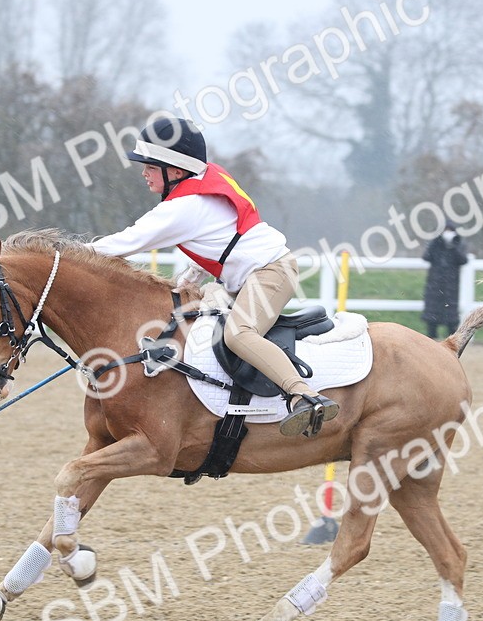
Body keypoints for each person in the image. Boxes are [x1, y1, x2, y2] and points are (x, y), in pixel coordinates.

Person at [89, 117, 339, 438]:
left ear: (175, 171)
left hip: (269, 273)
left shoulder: (183, 207)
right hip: (252, 273)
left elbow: (123, 243)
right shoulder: (203, 182)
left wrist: (65, 254)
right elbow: (220, 236)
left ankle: (304, 396)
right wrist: (193, 272)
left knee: (239, 334)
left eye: (150, 165)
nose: (143, 172)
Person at [421, 221, 468, 339]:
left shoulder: (458, 244)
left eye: (450, 231)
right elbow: (426, 256)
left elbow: (463, 260)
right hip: (434, 287)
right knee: (432, 320)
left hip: (451, 289)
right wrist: (438, 241)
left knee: (451, 321)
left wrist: (453, 246)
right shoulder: (436, 244)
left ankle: (451, 345)